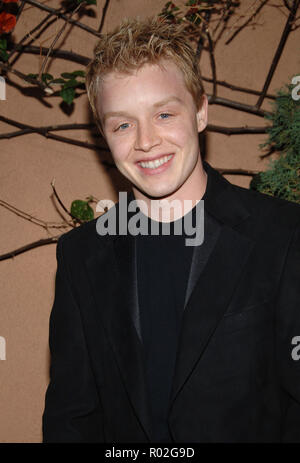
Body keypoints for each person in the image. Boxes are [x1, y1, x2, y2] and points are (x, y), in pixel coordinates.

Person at [42, 16, 300, 443]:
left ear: (200, 112)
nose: (146, 141)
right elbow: (71, 417)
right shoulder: (80, 256)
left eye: (163, 113)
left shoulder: (283, 235)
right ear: (103, 134)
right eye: (122, 124)